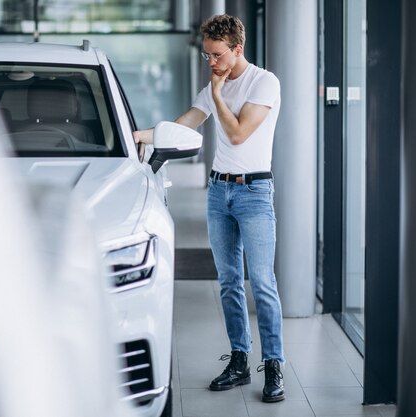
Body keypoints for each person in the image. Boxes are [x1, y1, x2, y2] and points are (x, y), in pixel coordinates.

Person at [133, 14, 285, 402]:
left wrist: (217, 94)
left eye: (217, 56)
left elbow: (236, 135)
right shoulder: (213, 82)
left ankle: (273, 366)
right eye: (207, 56)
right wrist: (136, 136)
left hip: (254, 192)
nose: (211, 63)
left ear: (237, 49)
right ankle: (239, 360)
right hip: (219, 193)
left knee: (263, 283)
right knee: (229, 281)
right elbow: (182, 126)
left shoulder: (263, 82)